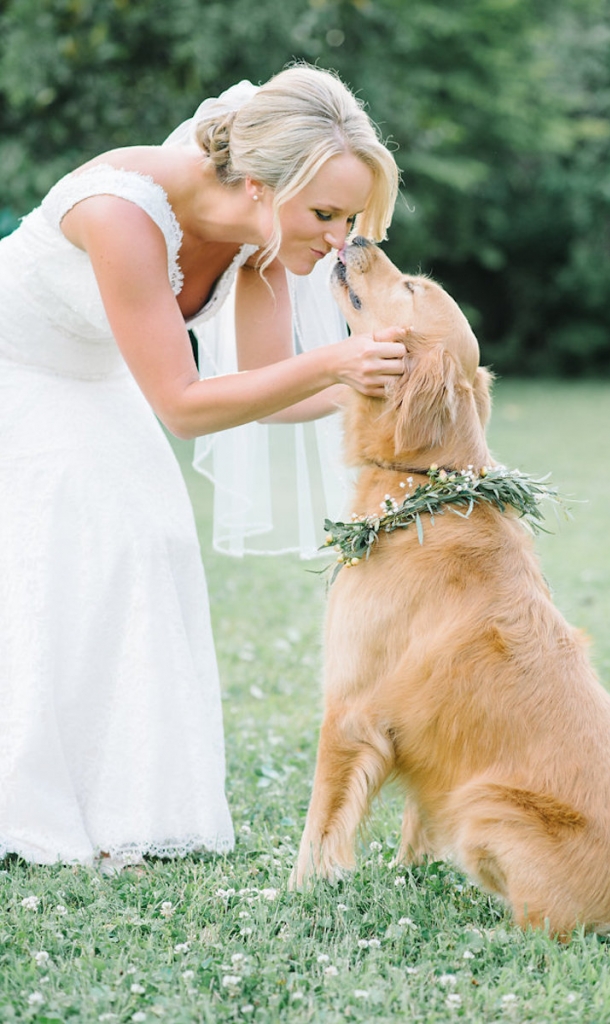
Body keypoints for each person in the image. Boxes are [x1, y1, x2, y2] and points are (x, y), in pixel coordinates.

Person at [0, 63, 406, 868]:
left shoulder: (262, 248)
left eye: (350, 218)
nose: (338, 242)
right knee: (63, 551)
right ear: (259, 183)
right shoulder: (122, 210)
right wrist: (336, 362)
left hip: (99, 376)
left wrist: (390, 379)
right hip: (18, 365)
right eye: (324, 214)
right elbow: (185, 405)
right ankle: (27, 796)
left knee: (155, 544)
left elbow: (265, 392)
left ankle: (130, 807)